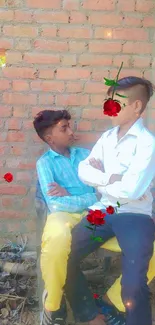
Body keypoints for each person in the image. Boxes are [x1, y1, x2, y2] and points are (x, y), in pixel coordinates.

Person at [61, 76, 155, 325]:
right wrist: (112, 177)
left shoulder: (147, 143)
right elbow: (83, 170)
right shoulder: (107, 138)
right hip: (102, 211)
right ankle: (90, 315)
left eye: (117, 102)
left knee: (133, 286)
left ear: (136, 106)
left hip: (135, 215)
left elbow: (133, 190)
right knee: (62, 257)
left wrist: (100, 177)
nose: (109, 107)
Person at [33, 110, 105, 325]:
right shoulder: (44, 163)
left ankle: (114, 302)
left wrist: (71, 194)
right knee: (56, 241)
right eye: (64, 128)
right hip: (62, 215)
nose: (71, 132)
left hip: (97, 213)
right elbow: (55, 204)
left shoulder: (86, 155)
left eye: (69, 126)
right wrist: (89, 196)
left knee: (148, 246)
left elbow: (104, 192)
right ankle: (53, 306)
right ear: (49, 138)